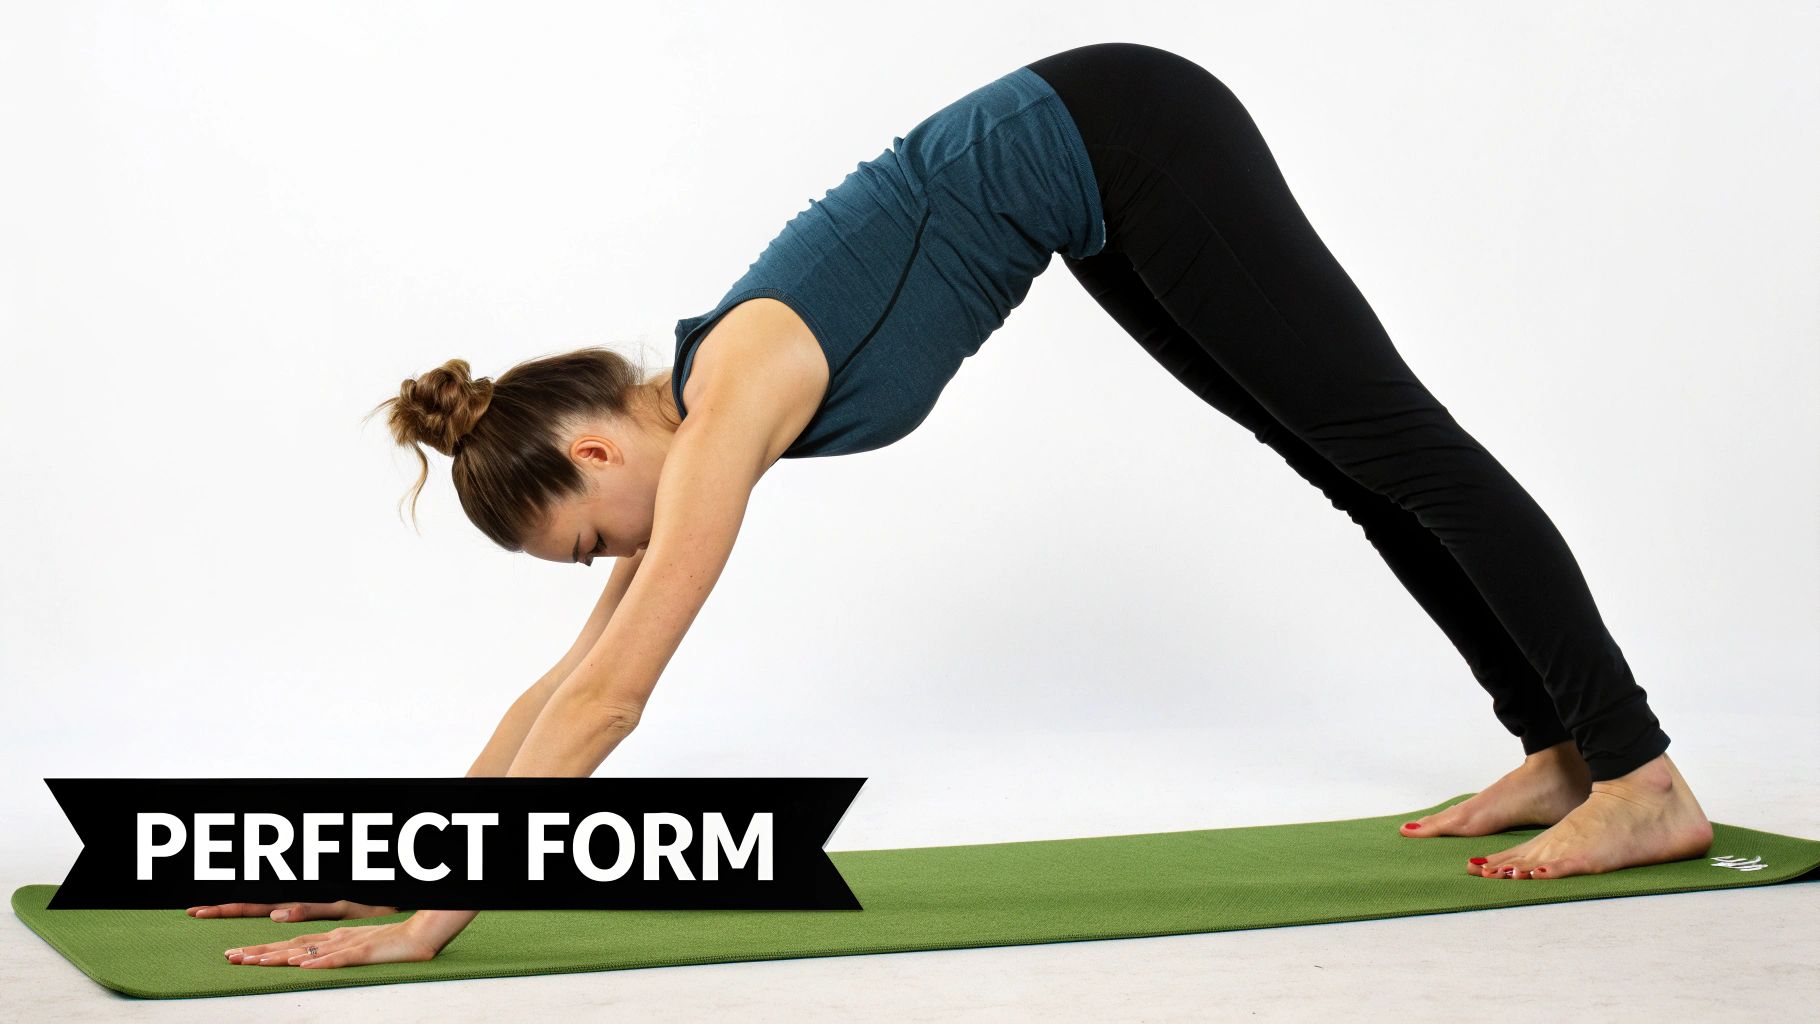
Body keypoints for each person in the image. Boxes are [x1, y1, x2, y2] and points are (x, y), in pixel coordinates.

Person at [194, 41, 1714, 970]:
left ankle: (1639, 775)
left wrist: (430, 918)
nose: (624, 558)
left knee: (1401, 444)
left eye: (598, 537)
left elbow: (615, 699)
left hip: (1131, 132)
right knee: (1347, 463)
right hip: (1094, 172)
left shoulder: (735, 398)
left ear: (595, 454)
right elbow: (562, 683)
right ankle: (1559, 743)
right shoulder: (708, 401)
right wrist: (393, 852)